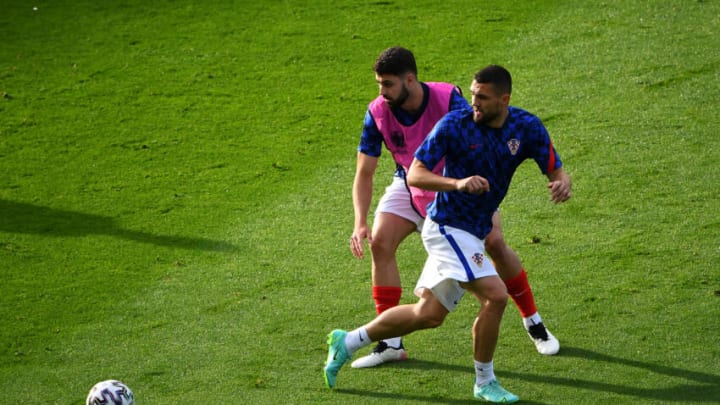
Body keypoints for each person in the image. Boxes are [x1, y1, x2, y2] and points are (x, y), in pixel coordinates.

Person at [325, 65, 572, 402]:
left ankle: (347, 341)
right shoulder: (455, 124)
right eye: (472, 94)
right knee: (495, 296)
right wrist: (456, 183)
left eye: (482, 98)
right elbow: (415, 174)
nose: (474, 103)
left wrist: (562, 182)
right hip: (447, 227)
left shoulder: (526, 127)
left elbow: (555, 166)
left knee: (427, 315)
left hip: (474, 228)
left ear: (504, 99)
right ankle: (485, 382)